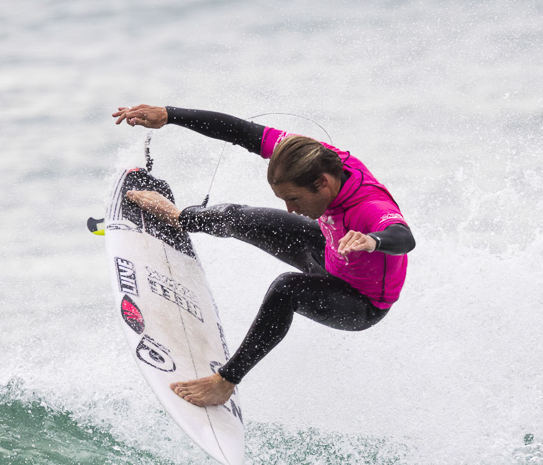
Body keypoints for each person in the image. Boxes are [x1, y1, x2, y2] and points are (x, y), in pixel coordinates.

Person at [110, 104, 417, 407]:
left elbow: (404, 237)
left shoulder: (369, 205)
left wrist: (373, 241)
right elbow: (241, 131)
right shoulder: (309, 156)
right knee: (236, 216)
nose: (291, 210)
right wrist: (169, 115)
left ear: (322, 182)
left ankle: (224, 382)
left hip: (358, 301)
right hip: (329, 253)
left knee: (286, 289)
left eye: (294, 198)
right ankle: (179, 218)